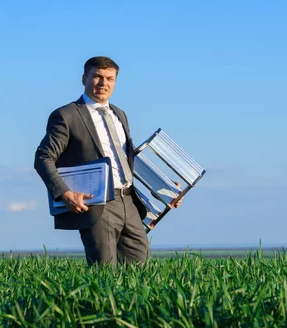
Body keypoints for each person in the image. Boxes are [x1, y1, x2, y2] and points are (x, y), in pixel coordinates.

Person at [34, 56, 181, 267]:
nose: (103, 83)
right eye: (97, 77)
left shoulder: (119, 114)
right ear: (84, 78)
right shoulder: (66, 115)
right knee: (104, 272)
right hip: (97, 204)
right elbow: (43, 157)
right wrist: (65, 194)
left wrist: (164, 188)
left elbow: (126, 162)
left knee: (141, 269)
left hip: (129, 202)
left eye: (110, 79)